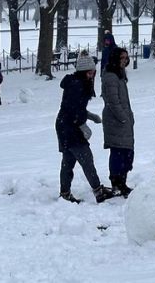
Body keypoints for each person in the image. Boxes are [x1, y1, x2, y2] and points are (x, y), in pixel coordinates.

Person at [56, 53, 117, 204]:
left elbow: (74, 108)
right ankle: (98, 191)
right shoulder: (78, 85)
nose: (92, 75)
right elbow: (73, 110)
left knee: (68, 160)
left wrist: (89, 115)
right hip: (70, 127)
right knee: (86, 159)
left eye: (93, 71)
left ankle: (65, 193)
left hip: (64, 124)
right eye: (89, 72)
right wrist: (82, 124)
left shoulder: (76, 82)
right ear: (82, 72)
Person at [101, 47, 135, 198]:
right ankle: (117, 182)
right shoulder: (111, 77)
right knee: (118, 151)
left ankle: (122, 181)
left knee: (126, 152)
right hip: (115, 121)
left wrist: (128, 117)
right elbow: (113, 102)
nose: (125, 61)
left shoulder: (120, 75)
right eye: (122, 58)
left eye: (126, 58)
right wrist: (123, 117)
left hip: (123, 119)